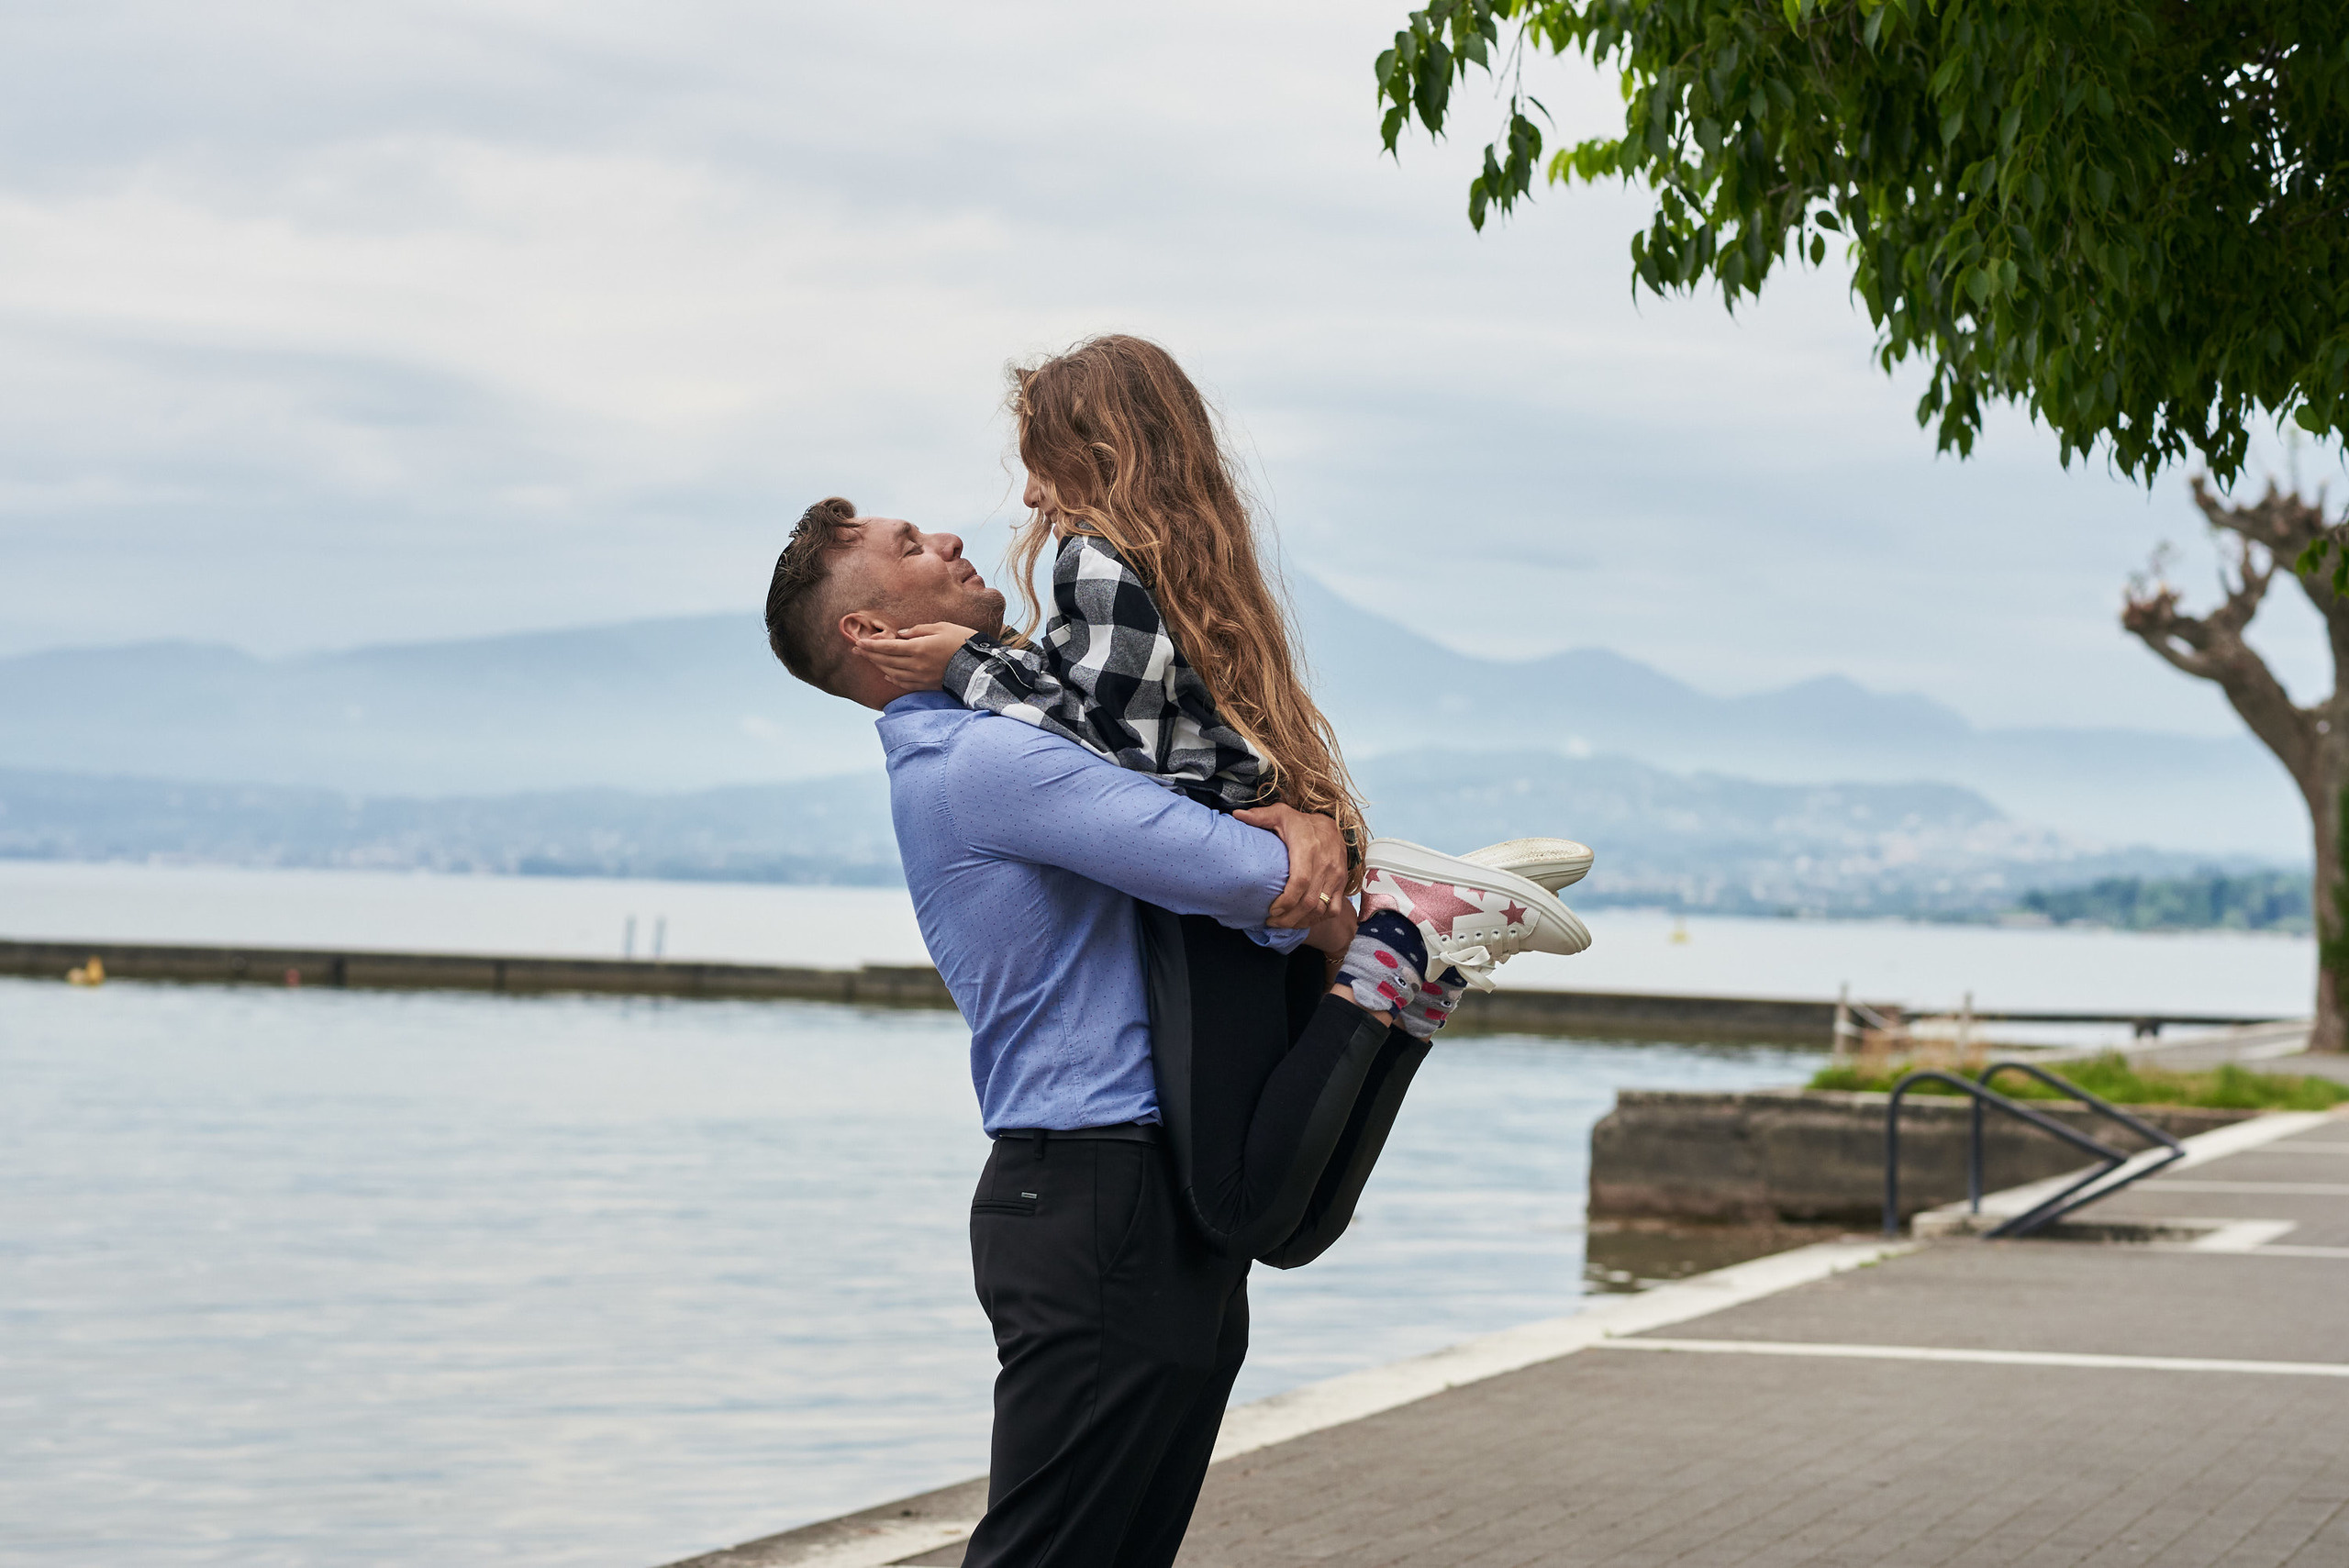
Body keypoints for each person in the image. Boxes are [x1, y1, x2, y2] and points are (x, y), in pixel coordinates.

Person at [763, 492, 1588, 1567]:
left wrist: (1302, 826)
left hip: (1141, 1195)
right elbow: (1248, 875)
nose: (951, 539)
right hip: (1094, 1196)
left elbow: (1197, 803)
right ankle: (1411, 952)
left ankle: (1409, 960)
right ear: (867, 633)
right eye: (907, 547)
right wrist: (1304, 834)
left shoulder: (1007, 732)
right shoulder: (983, 764)